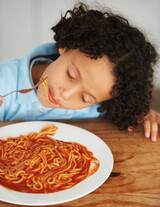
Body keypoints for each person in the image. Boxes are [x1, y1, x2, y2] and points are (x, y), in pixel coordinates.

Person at [0, 2, 160, 141]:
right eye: (70, 75)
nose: (65, 94)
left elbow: (123, 113)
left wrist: (141, 114)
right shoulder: (4, 81)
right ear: (65, 45)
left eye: (85, 98)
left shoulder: (99, 109)